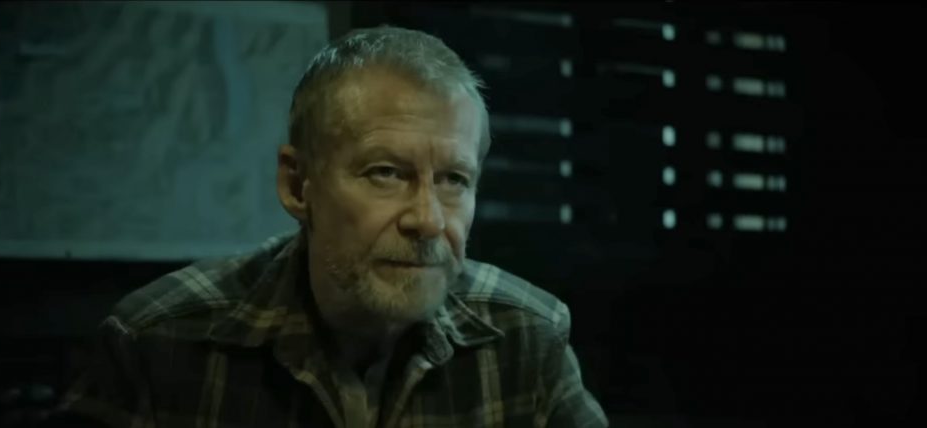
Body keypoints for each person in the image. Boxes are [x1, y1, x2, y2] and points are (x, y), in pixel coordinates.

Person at [56, 25, 608, 427]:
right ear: (298, 186)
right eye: (386, 173)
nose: (428, 219)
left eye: (454, 180)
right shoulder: (157, 344)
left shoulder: (526, 337)